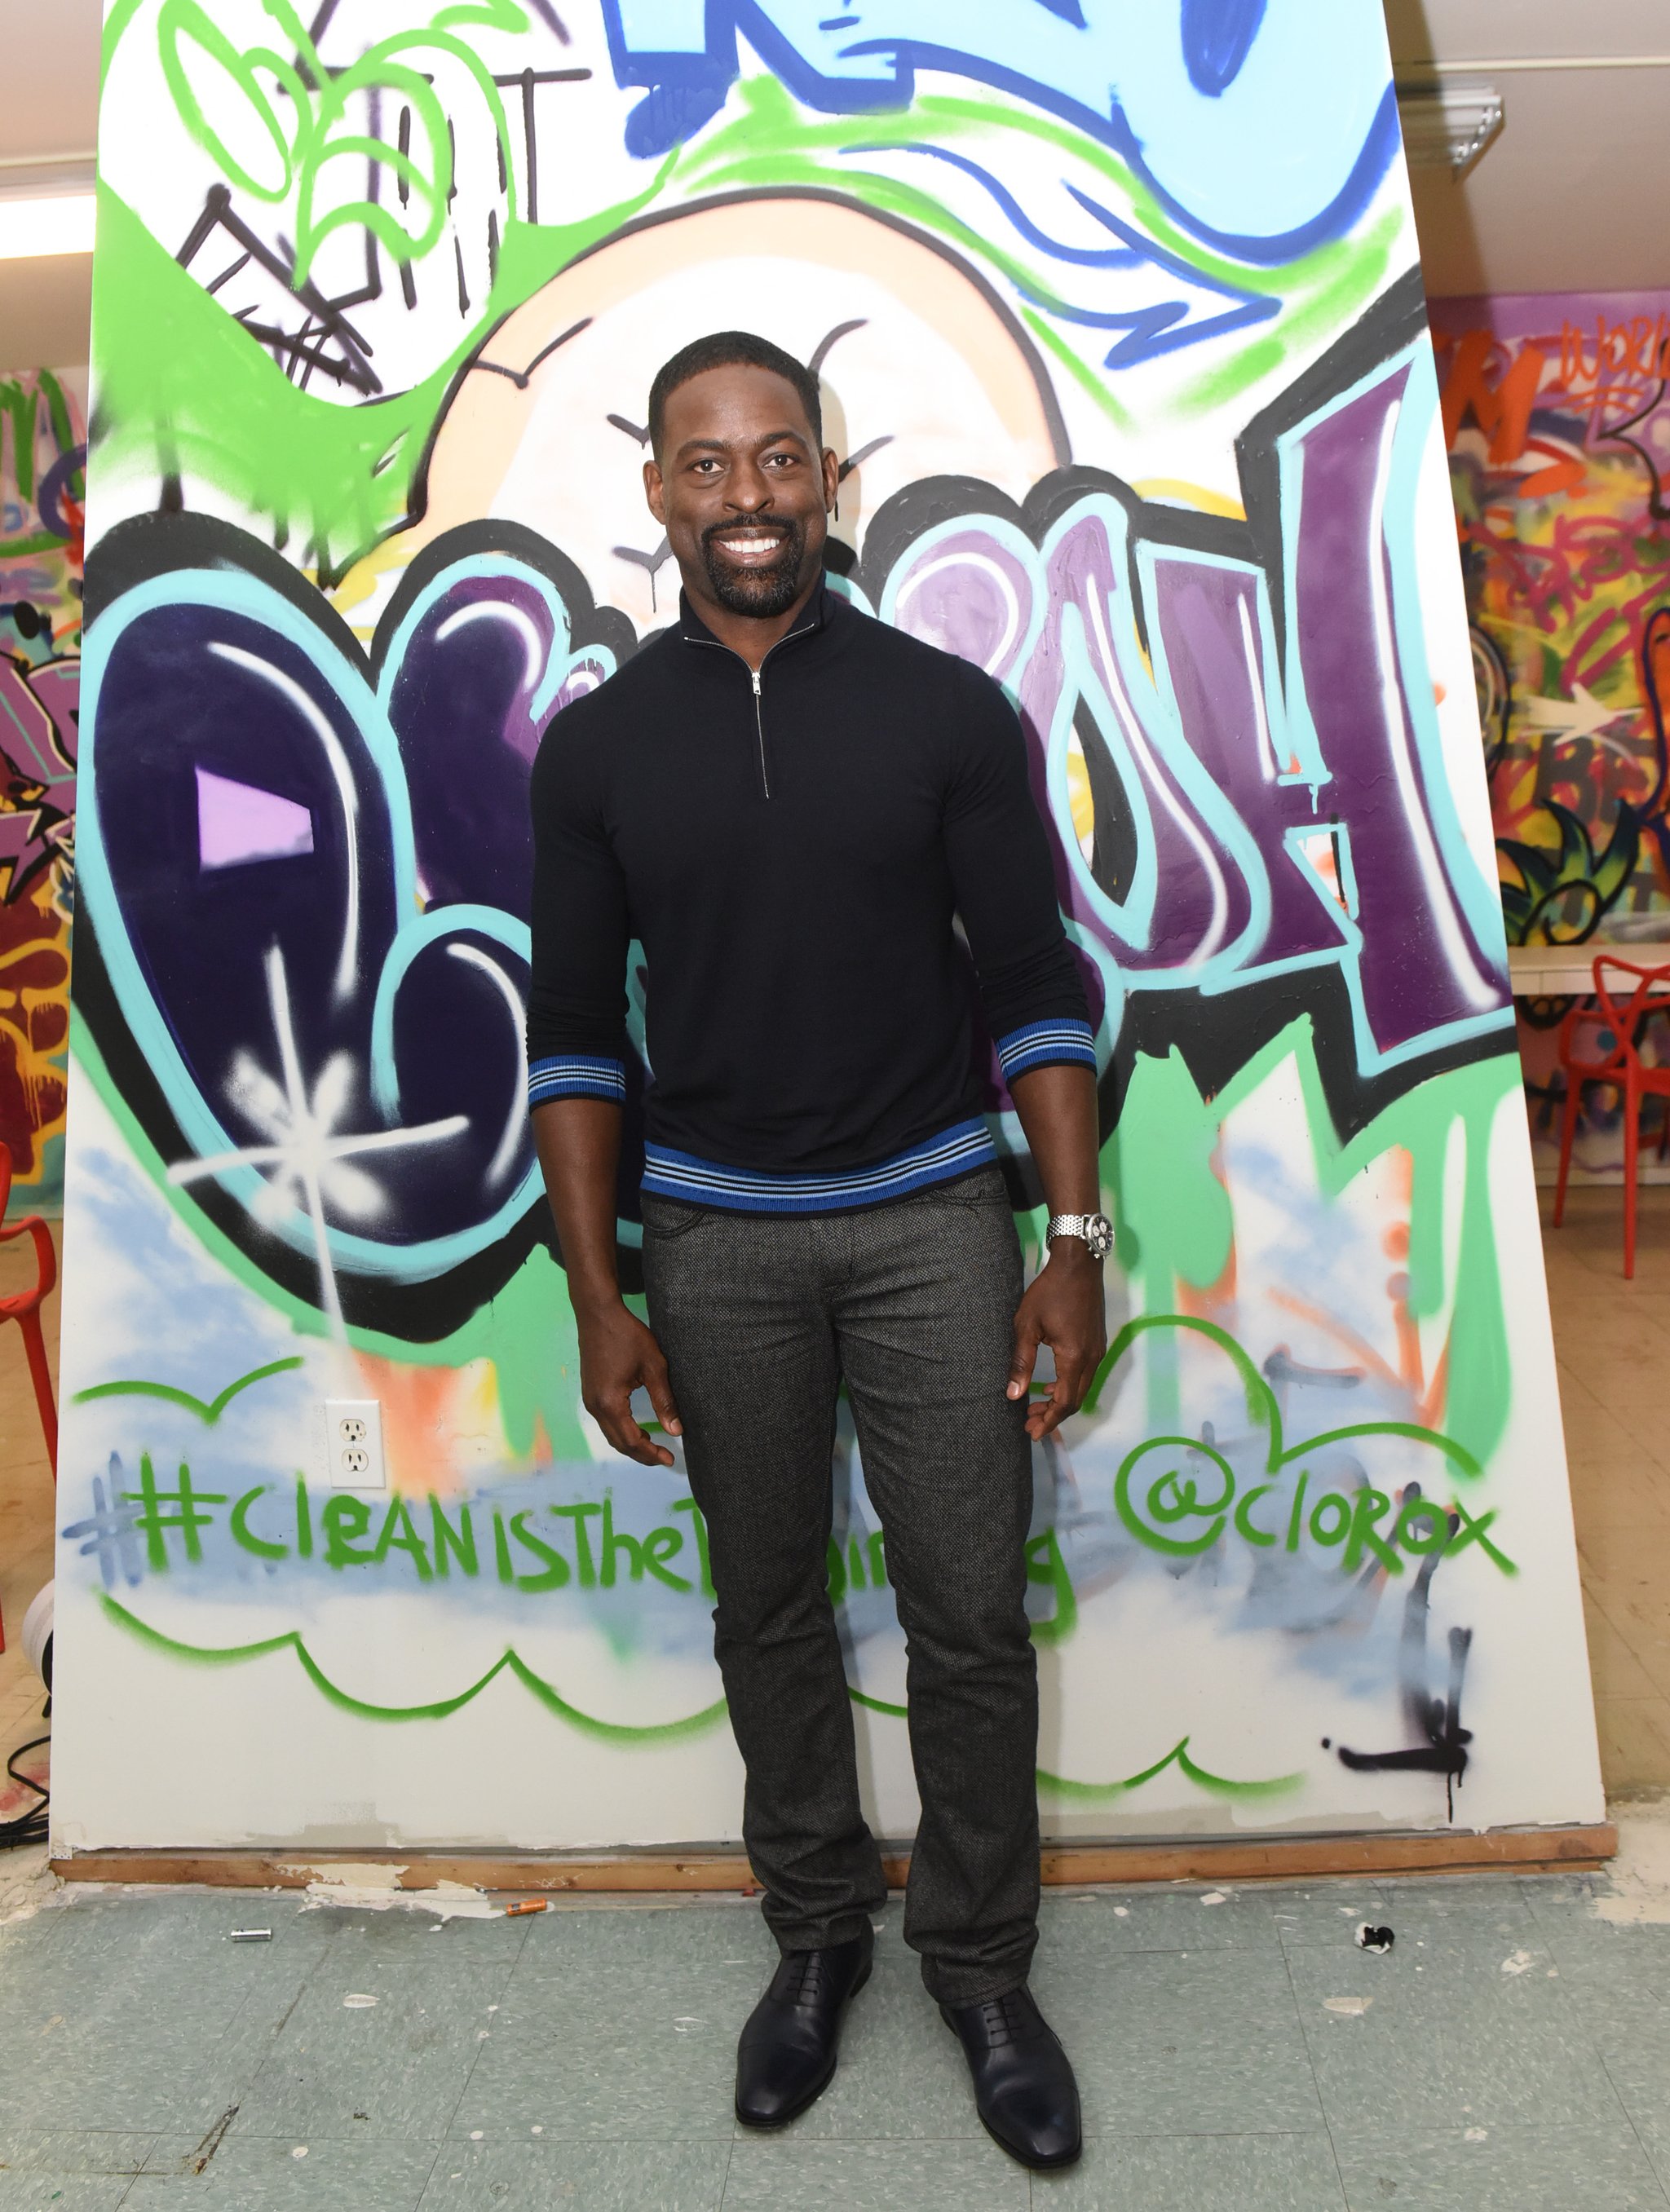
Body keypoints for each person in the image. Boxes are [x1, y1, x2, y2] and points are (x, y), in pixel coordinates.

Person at [526, 329, 1111, 2172]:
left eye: (779, 457)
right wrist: (598, 1292)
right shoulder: (600, 747)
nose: (748, 496)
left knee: (964, 1619)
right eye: (707, 463)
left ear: (828, 477)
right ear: (658, 493)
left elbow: (1030, 987)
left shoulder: (945, 712)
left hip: (941, 1216)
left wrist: (1070, 1233)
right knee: (766, 1612)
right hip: (714, 1242)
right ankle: (812, 1946)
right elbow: (568, 1036)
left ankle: (983, 1970)